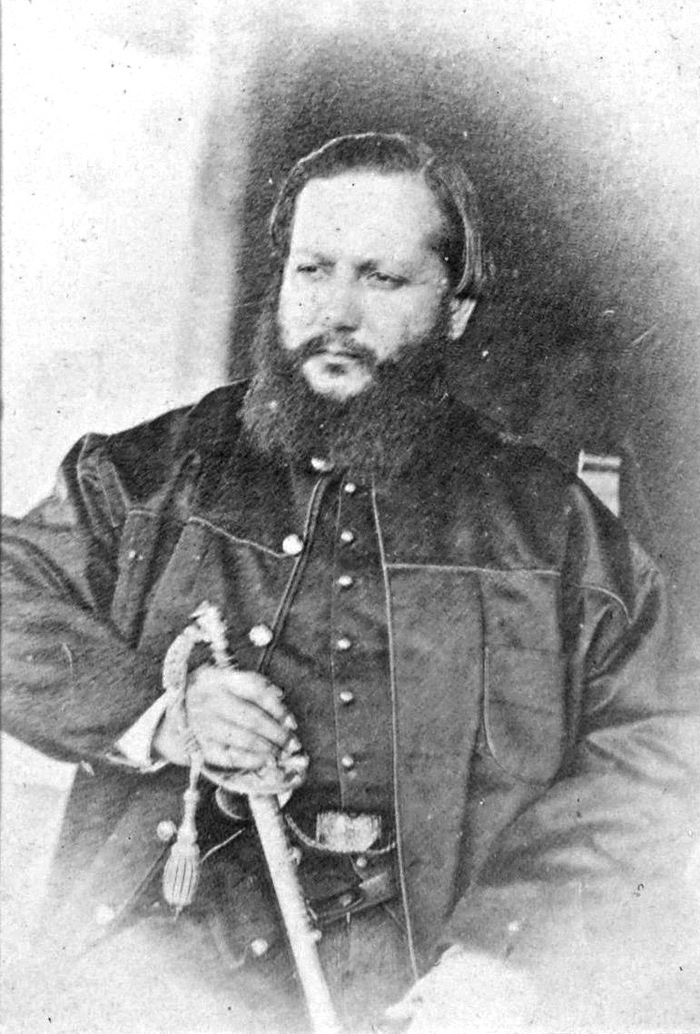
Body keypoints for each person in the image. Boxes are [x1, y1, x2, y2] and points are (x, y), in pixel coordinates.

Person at [2, 132, 698, 1033]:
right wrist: (163, 714)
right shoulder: (153, 477)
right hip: (166, 957)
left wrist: (508, 955)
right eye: (312, 270)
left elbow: (661, 736)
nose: (335, 311)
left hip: (420, 976)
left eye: (382, 278)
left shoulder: (548, 525)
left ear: (454, 309)